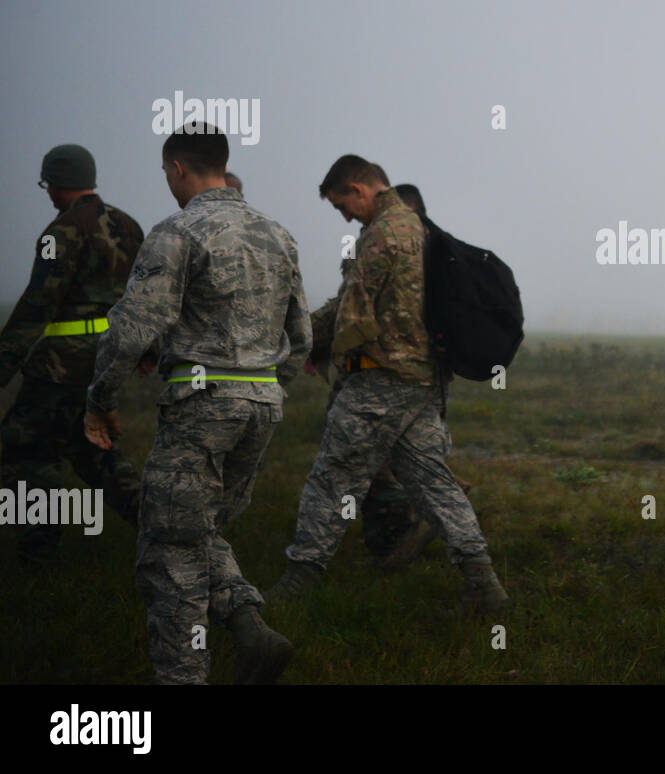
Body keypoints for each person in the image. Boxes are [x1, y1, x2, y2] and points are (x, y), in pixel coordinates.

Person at [84, 123, 311, 684]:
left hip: (202, 406)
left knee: (170, 555)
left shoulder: (177, 232)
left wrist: (99, 398)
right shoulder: (278, 234)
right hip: (261, 402)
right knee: (198, 527)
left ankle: (184, 676)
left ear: (178, 168)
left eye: (166, 173)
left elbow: (134, 326)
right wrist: (266, 387)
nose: (167, 182)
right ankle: (251, 630)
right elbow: (301, 336)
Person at [269, 156, 508, 613]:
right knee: (434, 484)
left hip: (381, 381)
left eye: (343, 205)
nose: (345, 216)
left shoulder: (381, 233)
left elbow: (351, 311)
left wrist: (299, 342)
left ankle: (294, 588)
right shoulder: (420, 227)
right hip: (423, 381)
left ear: (359, 189)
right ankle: (486, 587)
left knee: (331, 478)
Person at [0, 145, 144, 563]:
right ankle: (160, 528)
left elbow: (37, 303)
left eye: (46, 184)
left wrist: (4, 364)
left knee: (26, 451)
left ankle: (38, 554)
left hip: (59, 367)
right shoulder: (130, 227)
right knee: (93, 450)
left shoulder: (59, 232)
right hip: (108, 364)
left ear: (55, 183)